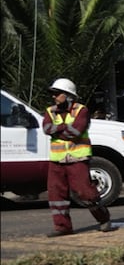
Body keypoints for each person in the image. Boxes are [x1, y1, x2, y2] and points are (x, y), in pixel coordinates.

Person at [41, 78, 114, 237]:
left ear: (68, 96)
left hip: (78, 159)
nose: (53, 96)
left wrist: (58, 130)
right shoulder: (49, 111)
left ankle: (103, 219)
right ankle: (63, 227)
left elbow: (76, 131)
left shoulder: (82, 110)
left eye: (57, 93)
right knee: (56, 195)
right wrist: (64, 129)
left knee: (85, 193)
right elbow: (46, 128)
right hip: (57, 160)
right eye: (52, 94)